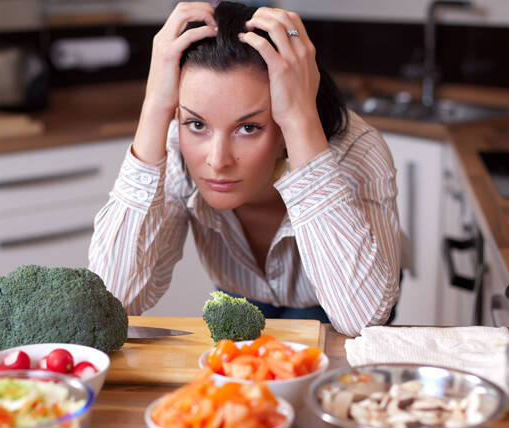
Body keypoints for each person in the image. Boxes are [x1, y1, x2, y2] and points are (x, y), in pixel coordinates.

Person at [89, 1, 401, 337]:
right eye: (196, 123)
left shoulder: (356, 152)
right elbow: (111, 301)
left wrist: (300, 119)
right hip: (242, 295)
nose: (217, 160)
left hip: (342, 301)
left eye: (249, 127)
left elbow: (362, 320)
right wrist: (154, 107)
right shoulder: (175, 146)